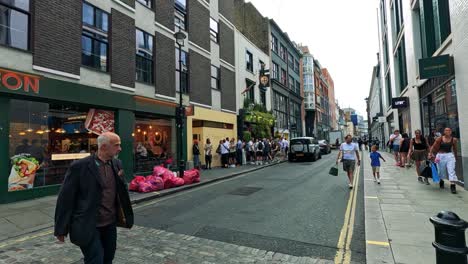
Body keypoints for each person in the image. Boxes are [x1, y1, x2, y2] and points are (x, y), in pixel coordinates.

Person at [54, 132, 133, 264]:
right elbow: (65, 199)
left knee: (108, 258)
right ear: (103, 147)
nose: (120, 148)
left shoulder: (117, 164)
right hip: (88, 224)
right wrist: (61, 229)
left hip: (110, 224)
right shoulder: (80, 166)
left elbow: (121, 191)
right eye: (116, 145)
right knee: (95, 260)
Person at [429, 127, 459, 194]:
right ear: (444, 132)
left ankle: (453, 186)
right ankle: (441, 180)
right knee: (441, 171)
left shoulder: (453, 140)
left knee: (451, 170)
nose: (447, 131)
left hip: (449, 156)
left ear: (451, 132)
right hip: (440, 156)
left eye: (449, 130)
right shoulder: (440, 138)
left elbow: (455, 149)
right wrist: (430, 154)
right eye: (446, 130)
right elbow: (433, 147)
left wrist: (455, 156)